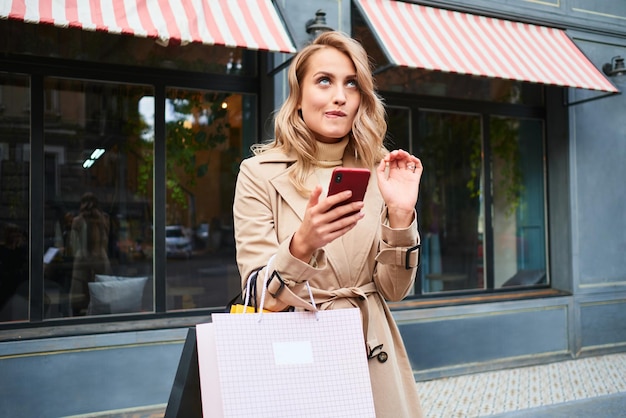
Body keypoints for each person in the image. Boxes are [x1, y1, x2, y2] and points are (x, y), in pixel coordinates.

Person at [233, 31, 424, 417]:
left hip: (372, 351)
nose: (339, 95)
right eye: (324, 80)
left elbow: (394, 289)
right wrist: (302, 244)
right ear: (299, 96)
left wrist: (401, 216)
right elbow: (257, 293)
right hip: (297, 355)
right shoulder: (258, 173)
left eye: (351, 84)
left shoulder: (380, 171)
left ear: (361, 99)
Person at [69, 192, 112, 315]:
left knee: (98, 295)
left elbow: (74, 245)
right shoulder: (81, 221)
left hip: (93, 258)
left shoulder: (101, 219)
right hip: (90, 258)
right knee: (86, 296)